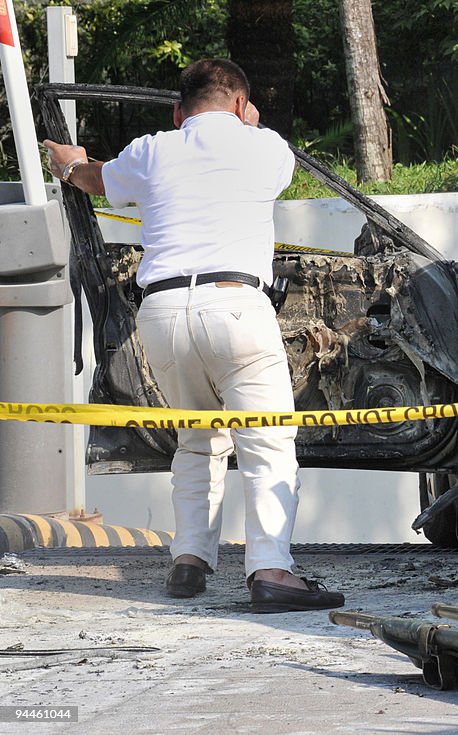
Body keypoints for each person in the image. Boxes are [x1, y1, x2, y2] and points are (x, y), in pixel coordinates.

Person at [43, 59, 345, 613]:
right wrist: (249, 122)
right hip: (236, 306)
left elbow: (94, 179)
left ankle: (189, 562)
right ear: (239, 104)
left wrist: (69, 165)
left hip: (161, 315)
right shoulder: (267, 146)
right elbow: (265, 163)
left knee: (197, 438)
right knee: (267, 442)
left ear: (179, 111)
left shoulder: (152, 149)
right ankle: (272, 571)